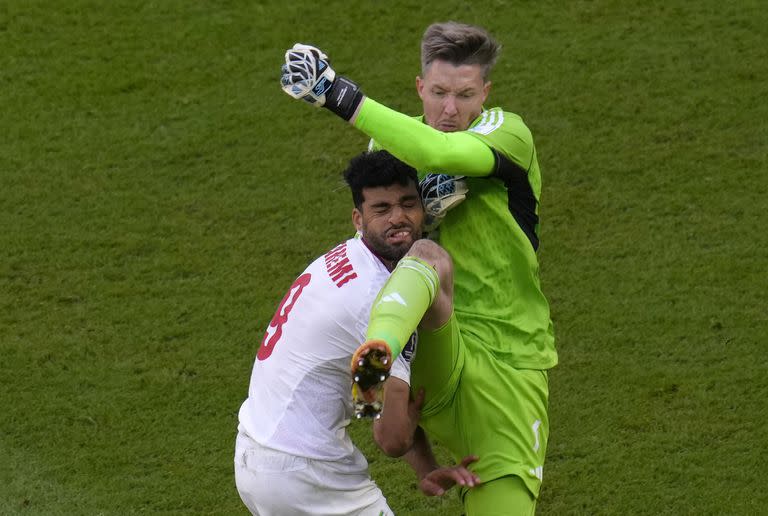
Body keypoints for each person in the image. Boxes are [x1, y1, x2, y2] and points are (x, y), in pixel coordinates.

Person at [281, 21, 557, 515]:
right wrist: (423, 217)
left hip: (509, 368)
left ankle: (382, 364)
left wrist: (337, 95)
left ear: (486, 93)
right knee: (426, 259)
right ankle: (377, 352)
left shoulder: (507, 132)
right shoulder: (389, 149)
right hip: (430, 344)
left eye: (465, 95)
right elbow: (379, 242)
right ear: (419, 88)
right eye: (439, 93)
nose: (451, 110)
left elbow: (441, 152)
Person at [234, 150, 480, 516]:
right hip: (309, 473)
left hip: (255, 455)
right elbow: (391, 438)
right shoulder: (383, 301)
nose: (398, 218)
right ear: (359, 217)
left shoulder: (348, 256)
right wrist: (397, 415)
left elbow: (370, 400)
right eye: (381, 209)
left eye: (408, 204)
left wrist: (426, 468)